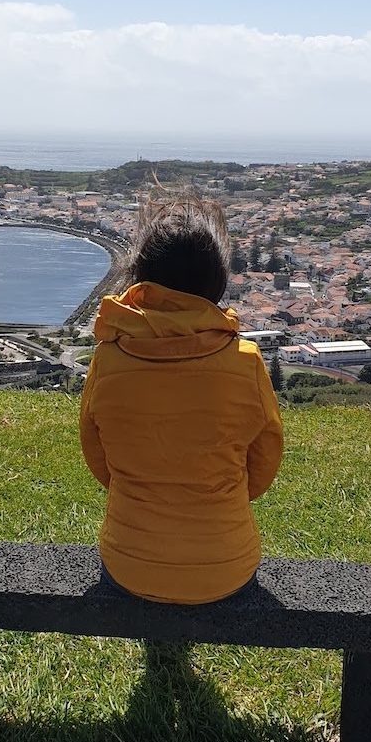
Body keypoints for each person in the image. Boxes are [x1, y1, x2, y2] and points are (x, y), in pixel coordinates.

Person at [79, 188, 283, 604]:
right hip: (227, 566)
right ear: (217, 283)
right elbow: (265, 460)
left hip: (128, 563)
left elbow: (97, 454)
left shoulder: (109, 357)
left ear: (141, 279)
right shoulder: (246, 362)